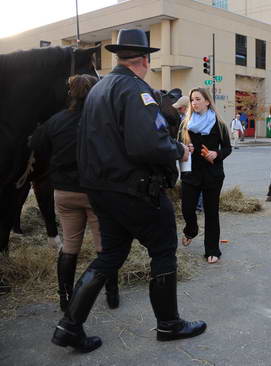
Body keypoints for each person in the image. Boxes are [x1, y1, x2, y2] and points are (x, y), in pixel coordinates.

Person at [51, 29, 205, 353]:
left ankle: (69, 325)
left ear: (121, 57)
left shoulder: (99, 88)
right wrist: (178, 149)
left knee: (111, 254)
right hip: (132, 189)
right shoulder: (136, 90)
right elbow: (146, 143)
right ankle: (169, 323)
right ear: (145, 60)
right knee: (163, 247)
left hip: (100, 189)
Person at [29, 74, 120, 312]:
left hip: (64, 192)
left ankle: (65, 297)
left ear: (70, 94)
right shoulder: (102, 121)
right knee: (104, 246)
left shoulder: (56, 121)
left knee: (69, 246)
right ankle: (112, 293)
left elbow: (36, 144)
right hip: (95, 192)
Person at [179, 87, 232, 264]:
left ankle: (212, 249)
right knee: (187, 208)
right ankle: (191, 230)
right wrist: (186, 148)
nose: (194, 103)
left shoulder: (219, 124)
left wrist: (216, 154)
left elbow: (227, 148)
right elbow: (177, 145)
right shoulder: (186, 123)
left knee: (211, 213)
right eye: (192, 99)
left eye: (198, 99)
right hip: (190, 174)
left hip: (212, 174)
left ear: (207, 101)